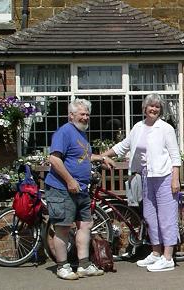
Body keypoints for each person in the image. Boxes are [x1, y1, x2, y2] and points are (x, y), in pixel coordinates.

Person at [100, 94, 182, 272]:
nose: (154, 109)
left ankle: (168, 257)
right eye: (151, 106)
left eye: (157, 107)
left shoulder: (165, 128)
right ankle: (156, 253)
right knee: (150, 216)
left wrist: (175, 179)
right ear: (144, 108)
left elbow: (175, 155)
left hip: (164, 176)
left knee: (166, 217)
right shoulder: (138, 127)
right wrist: (103, 155)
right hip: (146, 176)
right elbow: (123, 146)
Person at [45, 98, 110, 280]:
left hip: (81, 188)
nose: (86, 117)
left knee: (85, 225)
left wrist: (101, 159)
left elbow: (83, 155)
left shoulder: (81, 133)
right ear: (71, 115)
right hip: (62, 188)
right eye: (82, 114)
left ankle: (84, 265)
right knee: (63, 227)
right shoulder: (64, 132)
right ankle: (62, 267)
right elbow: (54, 159)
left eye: (88, 114)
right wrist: (69, 180)